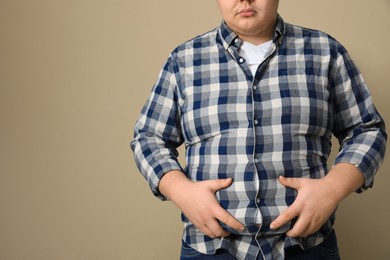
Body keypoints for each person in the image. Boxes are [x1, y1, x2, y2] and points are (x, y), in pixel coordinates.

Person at [131, 0, 387, 259]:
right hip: (210, 248)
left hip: (307, 246)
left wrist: (332, 188)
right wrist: (181, 191)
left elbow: (366, 129)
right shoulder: (183, 61)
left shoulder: (325, 52)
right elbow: (149, 138)